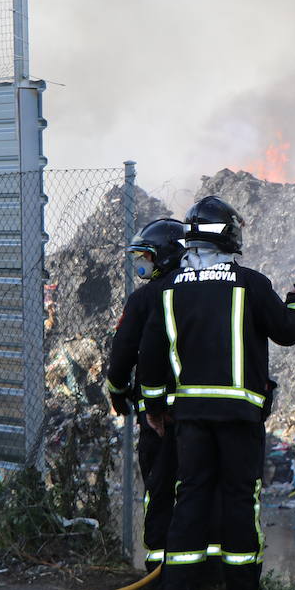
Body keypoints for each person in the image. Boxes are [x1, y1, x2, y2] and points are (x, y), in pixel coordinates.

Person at [138, 195, 295, 590]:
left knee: (191, 492)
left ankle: (179, 589)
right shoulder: (251, 283)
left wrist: (153, 408)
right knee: (239, 495)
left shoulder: (167, 291)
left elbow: (149, 358)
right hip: (239, 414)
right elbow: (288, 331)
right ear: (229, 235)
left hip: (189, 415)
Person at [105, 217, 188, 570]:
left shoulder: (144, 299)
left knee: (160, 486)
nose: (141, 263)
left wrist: (117, 390)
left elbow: (123, 351)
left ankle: (158, 568)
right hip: (197, 411)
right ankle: (198, 568)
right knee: (196, 486)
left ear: (166, 257)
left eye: (146, 256)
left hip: (157, 416)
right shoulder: (198, 292)